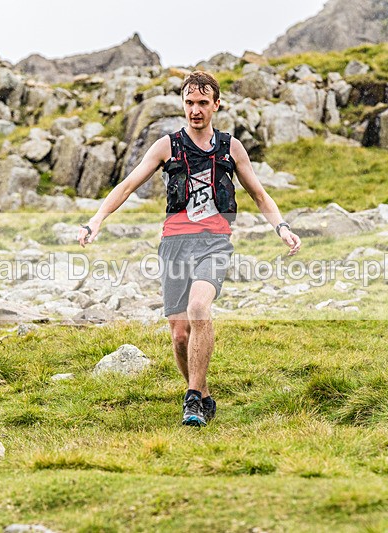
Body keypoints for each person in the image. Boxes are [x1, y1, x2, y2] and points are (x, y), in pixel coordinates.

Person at [78, 71, 301, 427]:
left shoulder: (231, 147)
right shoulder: (167, 146)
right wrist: (97, 219)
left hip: (214, 243)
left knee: (199, 307)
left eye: (202, 103)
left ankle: (191, 399)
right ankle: (203, 394)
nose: (195, 110)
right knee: (180, 334)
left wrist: (282, 227)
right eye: (189, 103)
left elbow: (259, 194)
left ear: (216, 105)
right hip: (174, 245)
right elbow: (128, 184)